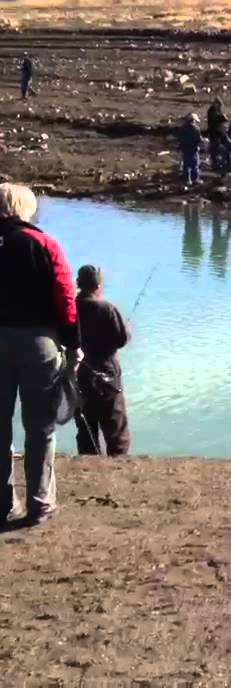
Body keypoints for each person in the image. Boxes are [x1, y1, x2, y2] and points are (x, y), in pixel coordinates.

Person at [0, 183, 79, 526]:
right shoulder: (44, 243)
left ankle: (3, 504)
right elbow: (66, 299)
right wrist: (73, 344)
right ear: (24, 208)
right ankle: (40, 503)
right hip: (39, 343)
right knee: (40, 427)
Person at [73, 266, 131, 457]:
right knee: (115, 422)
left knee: (86, 424)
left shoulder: (71, 307)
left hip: (79, 372)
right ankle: (118, 460)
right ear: (98, 285)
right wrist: (127, 328)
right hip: (106, 373)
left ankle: (88, 459)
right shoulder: (107, 308)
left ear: (79, 284)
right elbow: (122, 339)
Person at [207, 97, 231, 173]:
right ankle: (216, 166)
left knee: (228, 146)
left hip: (221, 133)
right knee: (215, 150)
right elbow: (220, 119)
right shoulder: (212, 112)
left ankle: (225, 163)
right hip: (215, 134)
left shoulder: (216, 112)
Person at [177, 113, 202, 185]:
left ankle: (188, 180)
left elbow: (180, 138)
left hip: (185, 149)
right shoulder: (196, 128)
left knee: (187, 164)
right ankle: (195, 179)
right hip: (194, 149)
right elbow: (198, 139)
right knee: (195, 164)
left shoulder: (183, 128)